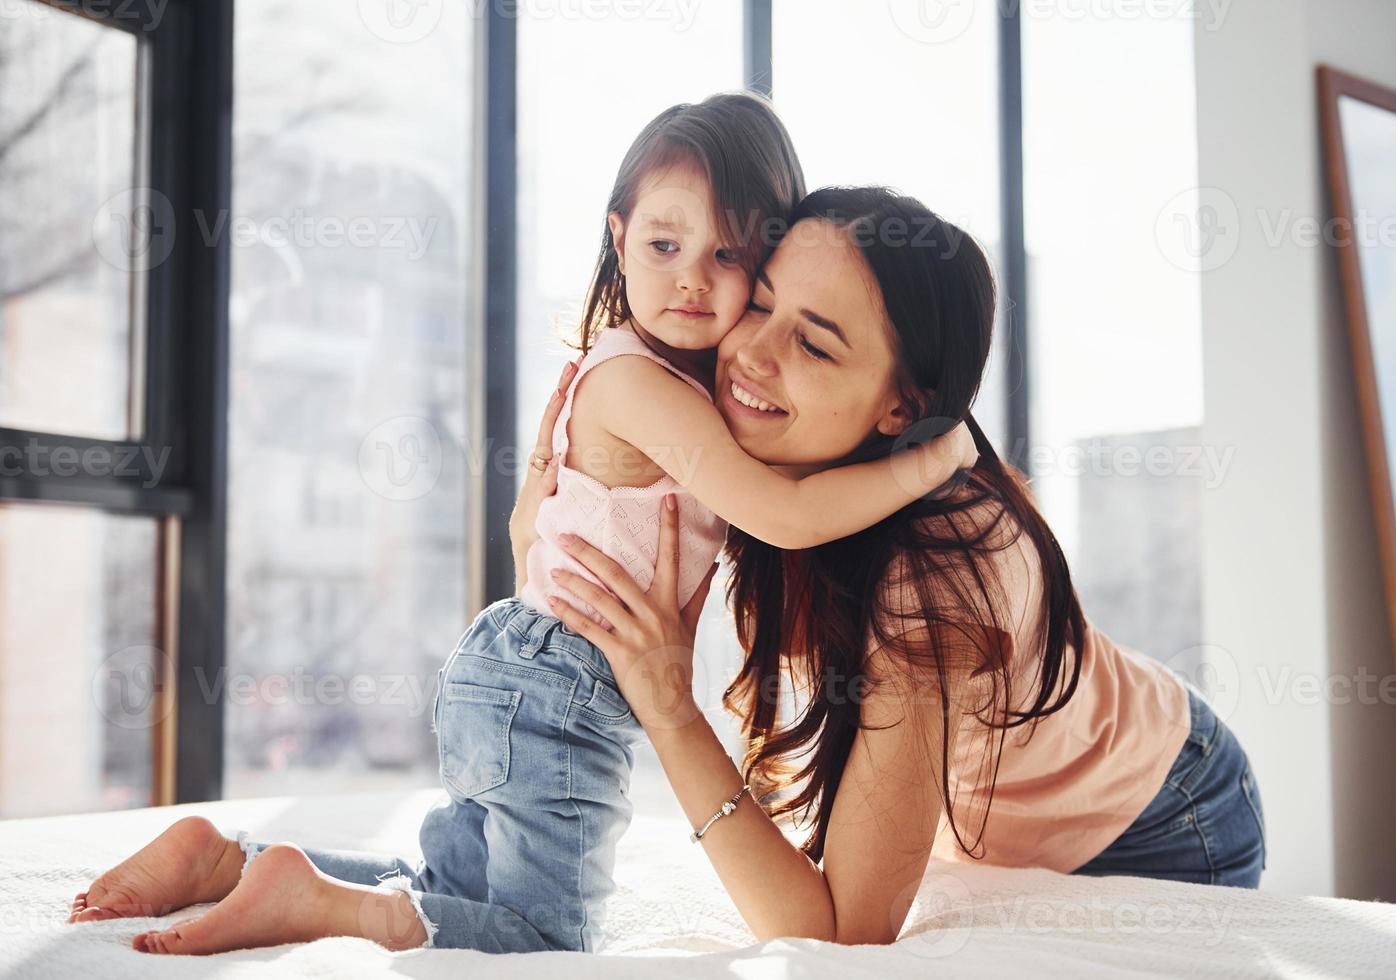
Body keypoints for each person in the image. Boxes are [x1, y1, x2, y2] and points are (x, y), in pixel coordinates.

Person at [66, 98, 974, 956]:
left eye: (731, 258)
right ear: (618, 238)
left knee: (453, 881)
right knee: (545, 936)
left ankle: (230, 863)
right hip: (561, 687)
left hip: (520, 666)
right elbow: (782, 515)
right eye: (666, 244)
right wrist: (932, 461)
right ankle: (320, 903)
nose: (696, 280)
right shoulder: (640, 386)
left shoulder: (655, 382)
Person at [535, 186, 1268, 946]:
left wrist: (672, 712)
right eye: (758, 303)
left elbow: (846, 934)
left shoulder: (941, 575)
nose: (752, 352)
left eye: (815, 345)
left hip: (1165, 815)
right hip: (1000, 803)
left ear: (900, 408)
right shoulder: (754, 457)